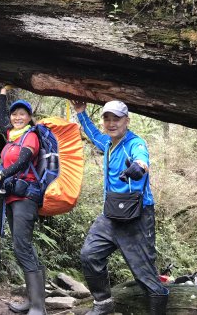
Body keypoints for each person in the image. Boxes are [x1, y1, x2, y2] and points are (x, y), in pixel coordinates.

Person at [70, 100, 169, 315]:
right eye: (108, 118)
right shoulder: (107, 143)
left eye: (117, 118)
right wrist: (81, 113)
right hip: (112, 213)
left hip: (137, 216)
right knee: (90, 254)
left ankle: (158, 302)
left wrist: (137, 168)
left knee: (145, 275)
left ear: (127, 121)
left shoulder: (135, 143)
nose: (111, 123)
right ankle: (103, 303)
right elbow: (93, 134)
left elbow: (142, 160)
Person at [0, 86, 46, 315]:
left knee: (22, 247)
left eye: (22, 114)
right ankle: (32, 301)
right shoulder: (11, 136)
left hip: (26, 197)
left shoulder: (31, 137)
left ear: (29, 118)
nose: (17, 117)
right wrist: (3, 93)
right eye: (14, 114)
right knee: (22, 248)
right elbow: (0, 117)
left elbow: (23, 162)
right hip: (11, 196)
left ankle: (38, 306)